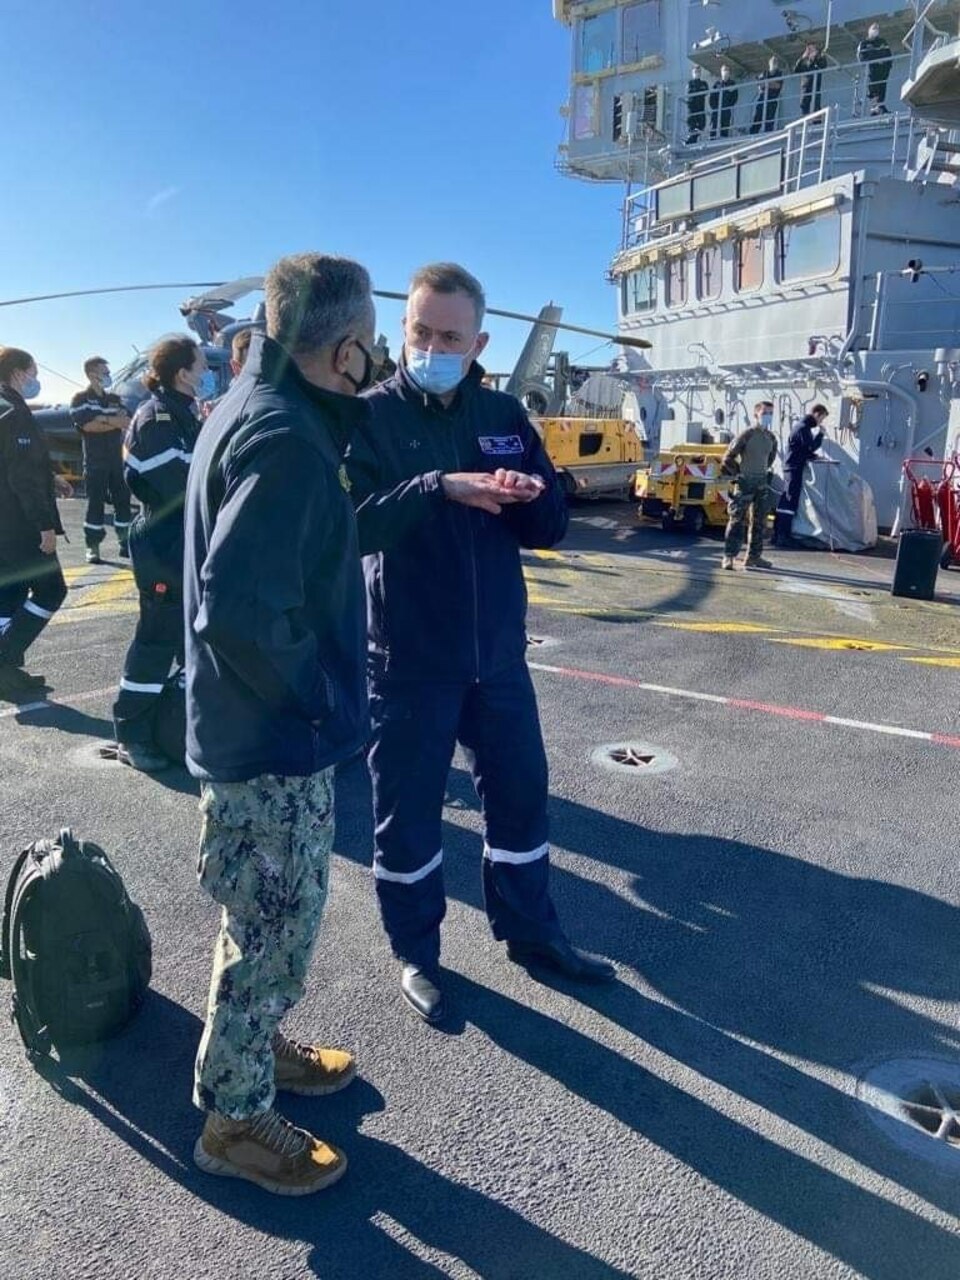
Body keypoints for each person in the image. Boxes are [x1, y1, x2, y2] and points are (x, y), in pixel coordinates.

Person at [345, 261, 616, 1028]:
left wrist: (530, 498)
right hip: (406, 662)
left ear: (478, 340)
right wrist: (439, 486)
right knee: (408, 820)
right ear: (403, 334)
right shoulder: (366, 418)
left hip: (496, 657)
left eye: (451, 336)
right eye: (421, 332)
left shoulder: (502, 411)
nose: (434, 345)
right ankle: (417, 955)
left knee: (522, 801)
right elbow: (348, 525)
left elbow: (553, 527)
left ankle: (533, 935)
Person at [184, 252, 376, 1197]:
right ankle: (235, 1119)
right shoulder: (289, 437)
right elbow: (241, 608)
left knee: (262, 924)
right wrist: (319, 701)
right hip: (270, 745)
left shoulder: (245, 408)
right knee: (272, 927)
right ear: (346, 348)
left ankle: (251, 1057)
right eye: (370, 350)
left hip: (246, 733)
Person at [113, 336, 213, 771]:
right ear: (182, 372)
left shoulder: (181, 413)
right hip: (162, 541)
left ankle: (169, 726)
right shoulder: (157, 418)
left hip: (181, 541)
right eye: (201, 365)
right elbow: (181, 487)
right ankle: (131, 735)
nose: (207, 372)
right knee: (156, 638)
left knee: (181, 636)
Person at [0, 347, 71, 697]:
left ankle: (7, 674)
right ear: (17, 372)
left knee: (8, 594)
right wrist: (44, 525)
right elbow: (21, 476)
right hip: (18, 523)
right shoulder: (13, 409)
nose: (34, 379)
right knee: (51, 589)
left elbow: (16, 462)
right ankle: (4, 658)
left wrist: (51, 477)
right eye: (32, 372)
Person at [70, 356, 132, 563]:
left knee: (122, 502)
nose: (107, 376)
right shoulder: (80, 399)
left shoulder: (114, 399)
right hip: (96, 462)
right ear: (91, 374)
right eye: (104, 372)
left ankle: (125, 544)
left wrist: (103, 419)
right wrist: (113, 421)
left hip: (117, 461)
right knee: (95, 504)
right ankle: (93, 547)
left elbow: (126, 421)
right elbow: (88, 426)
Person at [720, 401, 778, 571]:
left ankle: (754, 556)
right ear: (756, 415)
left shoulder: (771, 438)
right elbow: (728, 457)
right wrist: (738, 474)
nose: (768, 416)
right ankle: (729, 556)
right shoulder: (747, 435)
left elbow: (770, 459)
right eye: (765, 413)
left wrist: (762, 474)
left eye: (771, 413)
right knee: (737, 520)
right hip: (745, 483)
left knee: (759, 521)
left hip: (761, 483)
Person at [774, 403, 828, 547]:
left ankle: (778, 533)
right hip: (794, 468)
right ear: (817, 414)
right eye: (821, 419)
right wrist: (821, 434)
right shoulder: (804, 428)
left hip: (791, 466)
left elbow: (804, 449)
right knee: (790, 501)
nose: (820, 422)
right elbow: (810, 446)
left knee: (785, 499)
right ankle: (783, 536)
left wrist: (813, 456)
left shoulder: (802, 427)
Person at [857, 23, 892, 116]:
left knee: (882, 89)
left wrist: (888, 66)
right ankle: (874, 109)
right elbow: (861, 57)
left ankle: (881, 107)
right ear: (869, 30)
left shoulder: (882, 41)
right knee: (873, 90)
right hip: (871, 71)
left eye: (877, 28)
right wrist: (874, 62)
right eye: (874, 28)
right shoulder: (864, 43)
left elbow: (889, 54)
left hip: (883, 70)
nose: (876, 30)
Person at [750, 56, 784, 134]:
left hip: (772, 99)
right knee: (757, 118)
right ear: (769, 63)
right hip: (762, 99)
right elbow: (759, 85)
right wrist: (769, 83)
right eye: (773, 62)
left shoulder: (779, 74)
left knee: (769, 119)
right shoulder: (764, 73)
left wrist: (766, 83)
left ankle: (768, 135)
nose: (774, 63)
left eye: (775, 62)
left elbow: (777, 85)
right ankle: (752, 135)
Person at [795, 43, 827, 116]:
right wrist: (803, 57)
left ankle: (816, 122)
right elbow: (796, 69)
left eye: (813, 49)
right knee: (804, 105)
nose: (811, 51)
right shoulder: (804, 62)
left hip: (815, 87)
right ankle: (804, 121)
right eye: (810, 49)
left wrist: (821, 56)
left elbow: (824, 65)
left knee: (816, 105)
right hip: (805, 87)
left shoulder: (818, 61)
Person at [709, 65, 738, 139]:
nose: (726, 72)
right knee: (714, 124)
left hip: (726, 108)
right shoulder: (717, 84)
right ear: (721, 72)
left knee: (725, 124)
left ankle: (724, 137)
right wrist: (715, 107)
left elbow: (735, 97)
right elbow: (712, 97)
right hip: (717, 108)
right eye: (724, 70)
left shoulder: (732, 83)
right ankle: (712, 138)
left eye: (727, 70)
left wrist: (729, 105)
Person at [686, 69, 710, 143]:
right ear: (692, 73)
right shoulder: (690, 83)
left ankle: (692, 140)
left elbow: (706, 92)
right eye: (695, 72)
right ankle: (691, 140)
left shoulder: (704, 83)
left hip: (700, 107)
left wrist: (697, 91)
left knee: (702, 125)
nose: (697, 73)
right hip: (692, 107)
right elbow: (689, 93)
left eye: (698, 72)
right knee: (692, 125)